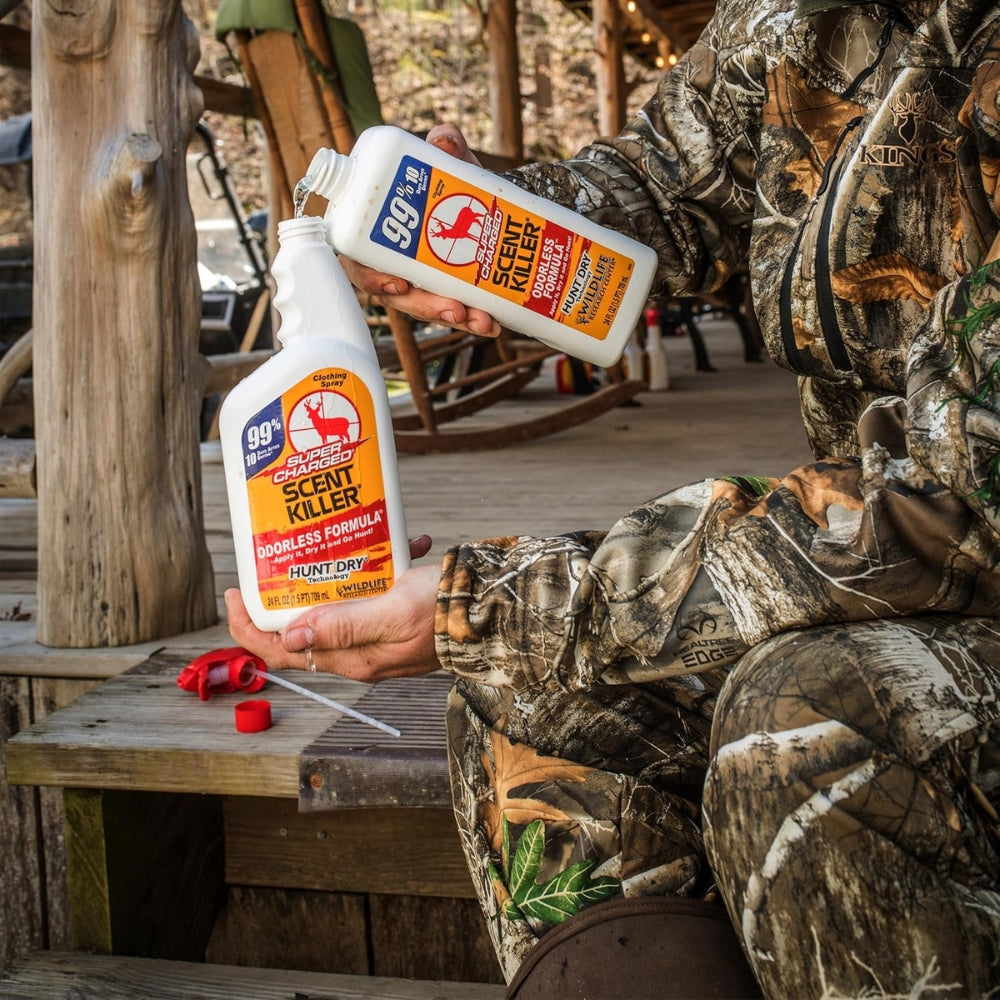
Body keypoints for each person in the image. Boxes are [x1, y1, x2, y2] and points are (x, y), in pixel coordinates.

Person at [227, 0, 1000, 994]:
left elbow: (949, 505)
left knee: (805, 721)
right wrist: (491, 218)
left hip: (954, 533)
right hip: (888, 548)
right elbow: (667, 183)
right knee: (532, 692)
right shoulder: (805, 15)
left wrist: (500, 600)